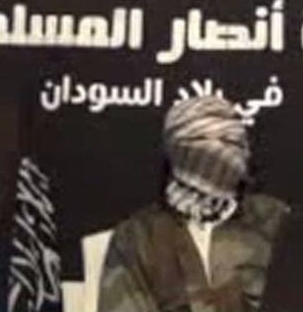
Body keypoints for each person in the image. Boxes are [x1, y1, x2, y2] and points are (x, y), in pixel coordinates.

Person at [97, 95, 289, 312]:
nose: (227, 154)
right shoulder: (137, 237)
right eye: (208, 142)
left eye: (233, 142)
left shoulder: (275, 222)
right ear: (179, 151)